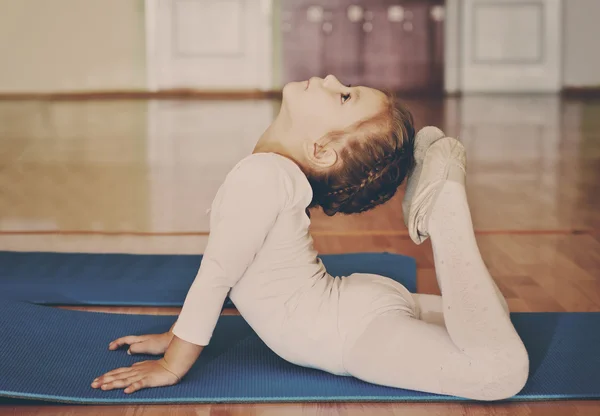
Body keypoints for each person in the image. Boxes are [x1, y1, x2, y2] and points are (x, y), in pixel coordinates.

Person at [91, 75, 529, 401]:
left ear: (321, 150)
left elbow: (217, 274)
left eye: (343, 96)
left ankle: (447, 209)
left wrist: (173, 363)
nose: (333, 80)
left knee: (499, 372)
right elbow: (231, 263)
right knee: (489, 321)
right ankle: (440, 198)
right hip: (353, 308)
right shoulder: (271, 174)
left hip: (352, 333)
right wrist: (176, 333)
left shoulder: (262, 176)